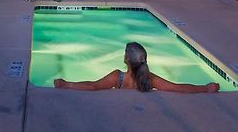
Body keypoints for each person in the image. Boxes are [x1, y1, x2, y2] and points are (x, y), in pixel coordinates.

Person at [54, 42, 220, 93]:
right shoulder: (150, 79)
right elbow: (178, 88)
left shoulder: (117, 77)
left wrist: (67, 84)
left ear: (126, 59)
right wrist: (205, 88)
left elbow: (93, 86)